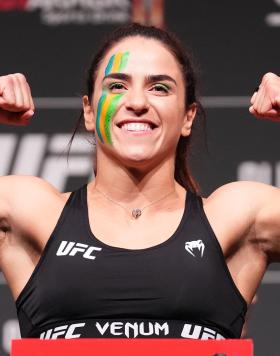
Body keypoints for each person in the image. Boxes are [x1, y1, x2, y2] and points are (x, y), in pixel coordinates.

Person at [0, 23, 279, 340]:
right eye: (117, 86)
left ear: (188, 117)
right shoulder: (29, 212)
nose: (137, 102)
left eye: (159, 88)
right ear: (89, 112)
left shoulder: (236, 218)